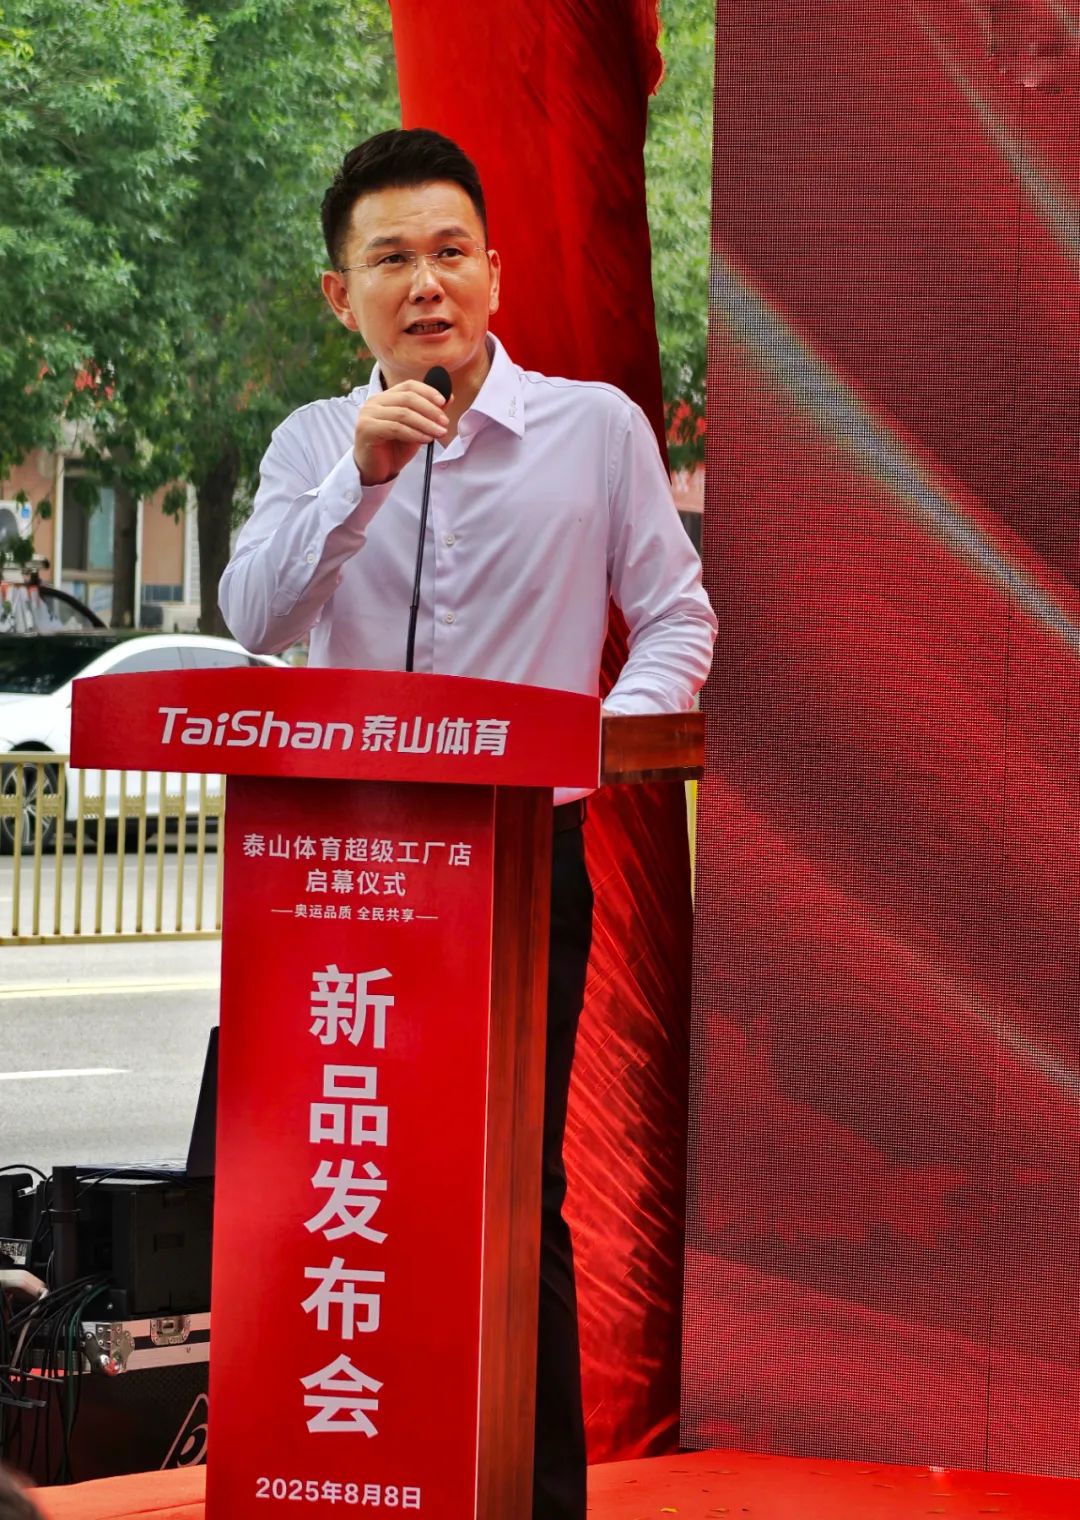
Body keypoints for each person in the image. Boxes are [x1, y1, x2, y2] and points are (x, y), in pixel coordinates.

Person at [219, 127, 717, 1520]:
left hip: (515, 869)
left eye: (451, 252)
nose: (426, 283)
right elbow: (255, 621)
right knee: (340, 1179)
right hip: (336, 876)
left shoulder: (594, 430)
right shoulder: (313, 442)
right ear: (344, 296)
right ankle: (341, 1475)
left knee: (507, 1191)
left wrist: (602, 742)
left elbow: (677, 617)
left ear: (496, 272)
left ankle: (530, 1498)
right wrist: (361, 477)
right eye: (392, 259)